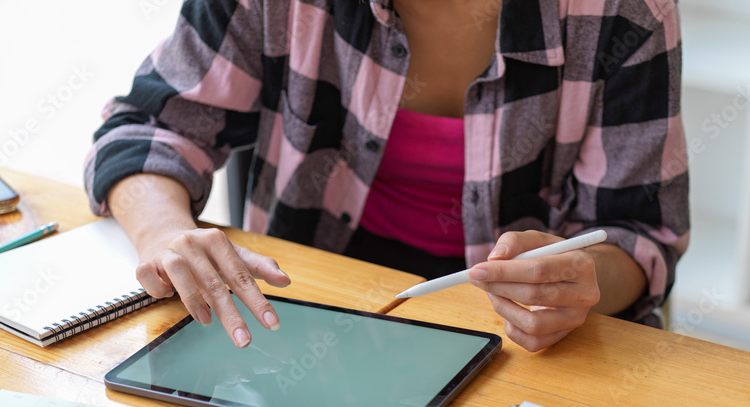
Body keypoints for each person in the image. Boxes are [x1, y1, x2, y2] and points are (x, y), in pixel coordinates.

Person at [84, 0, 689, 352]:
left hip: (521, 350)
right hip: (311, 324)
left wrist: (578, 284)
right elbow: (148, 127)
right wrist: (163, 231)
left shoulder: (621, 12)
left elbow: (640, 236)